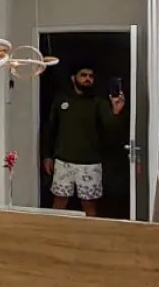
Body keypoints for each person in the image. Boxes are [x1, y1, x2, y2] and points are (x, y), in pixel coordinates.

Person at [42, 64, 125, 218]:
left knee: (90, 207)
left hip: (89, 163)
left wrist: (115, 111)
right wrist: (47, 155)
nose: (87, 79)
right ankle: (54, 230)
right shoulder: (61, 100)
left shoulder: (99, 102)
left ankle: (90, 233)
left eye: (90, 76)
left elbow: (110, 128)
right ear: (73, 78)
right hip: (63, 161)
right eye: (83, 75)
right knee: (59, 204)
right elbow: (51, 129)